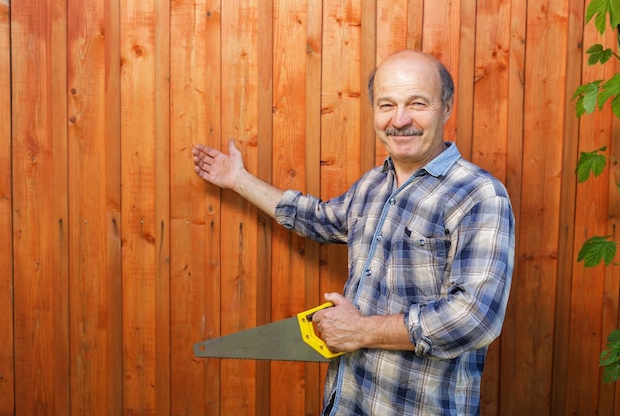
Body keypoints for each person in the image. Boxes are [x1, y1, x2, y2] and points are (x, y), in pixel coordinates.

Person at [192, 49, 515, 416]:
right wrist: (238, 180)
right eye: (386, 105)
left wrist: (361, 331)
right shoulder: (372, 186)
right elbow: (317, 218)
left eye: (418, 103)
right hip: (348, 404)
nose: (400, 119)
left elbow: (474, 319)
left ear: (447, 107)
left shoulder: (478, 194)